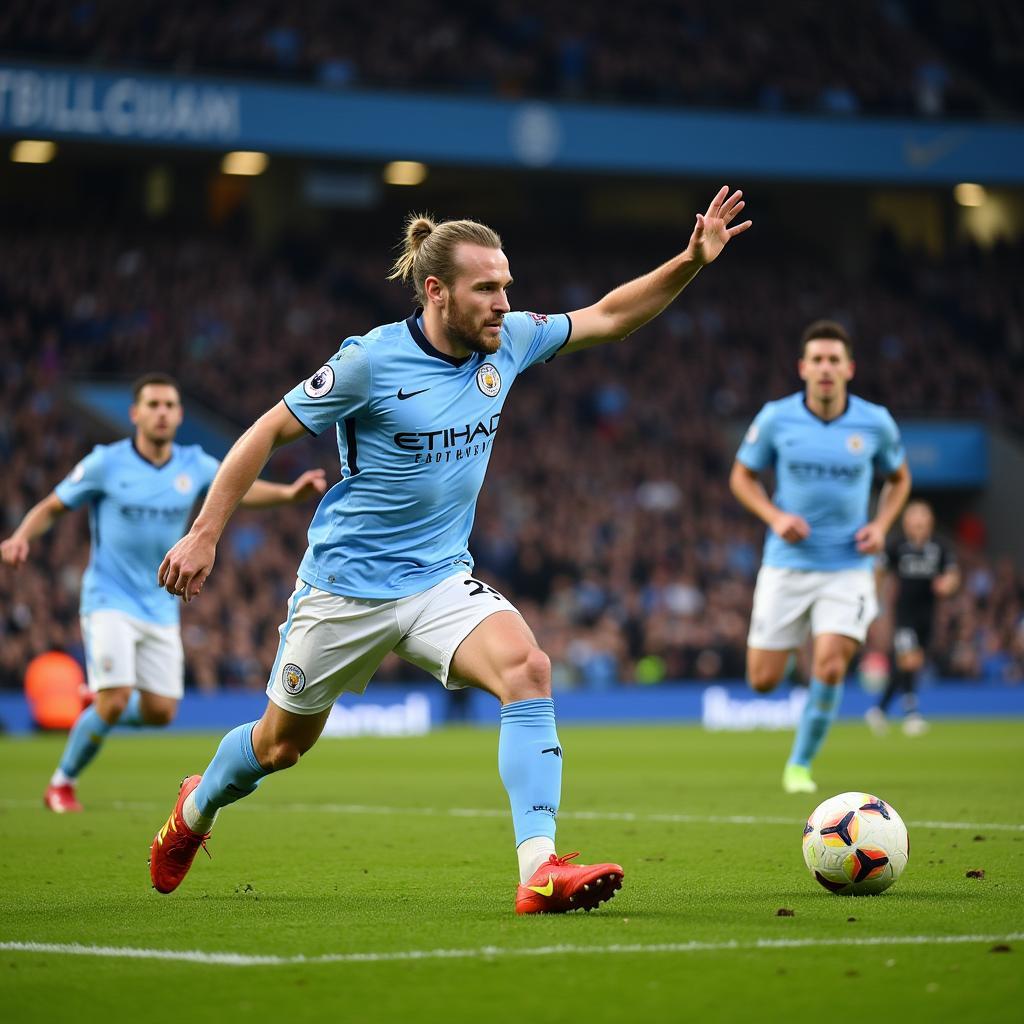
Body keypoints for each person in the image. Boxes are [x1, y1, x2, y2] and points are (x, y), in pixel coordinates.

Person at [149, 186, 752, 914]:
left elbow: (611, 316)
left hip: (439, 581)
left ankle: (539, 868)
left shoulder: (513, 341)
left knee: (528, 668)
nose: (504, 303)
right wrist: (206, 532)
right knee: (279, 748)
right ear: (436, 291)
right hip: (346, 590)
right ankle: (195, 807)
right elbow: (263, 432)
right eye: (487, 289)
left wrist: (690, 260)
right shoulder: (369, 363)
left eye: (507, 287)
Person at [1, 373, 326, 812]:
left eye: (169, 405)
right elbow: (54, 505)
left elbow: (239, 489)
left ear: (179, 415)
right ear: (135, 413)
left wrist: (289, 493)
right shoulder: (105, 463)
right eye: (152, 405)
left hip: (159, 602)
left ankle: (93, 705)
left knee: (160, 711)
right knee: (115, 701)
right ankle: (62, 783)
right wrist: (22, 535)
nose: (161, 412)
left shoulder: (193, 464)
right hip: (108, 598)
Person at [729, 320, 911, 794]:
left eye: (835, 360)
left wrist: (881, 526)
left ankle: (799, 765)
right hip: (787, 562)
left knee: (830, 664)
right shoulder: (776, 417)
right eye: (818, 360)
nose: (826, 368)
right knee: (763, 681)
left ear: (849, 368)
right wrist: (774, 516)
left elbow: (899, 479)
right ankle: (792, 642)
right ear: (803, 368)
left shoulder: (875, 422)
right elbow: (742, 477)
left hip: (849, 566)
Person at [866, 499, 959, 736]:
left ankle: (879, 709)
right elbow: (880, 571)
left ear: (930, 522)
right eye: (913, 517)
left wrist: (947, 585)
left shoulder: (940, 546)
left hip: (928, 614)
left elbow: (952, 575)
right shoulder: (897, 545)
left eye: (922, 517)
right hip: (904, 613)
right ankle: (912, 713)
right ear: (906, 522)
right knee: (909, 659)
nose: (918, 522)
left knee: (910, 663)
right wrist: (875, 602)